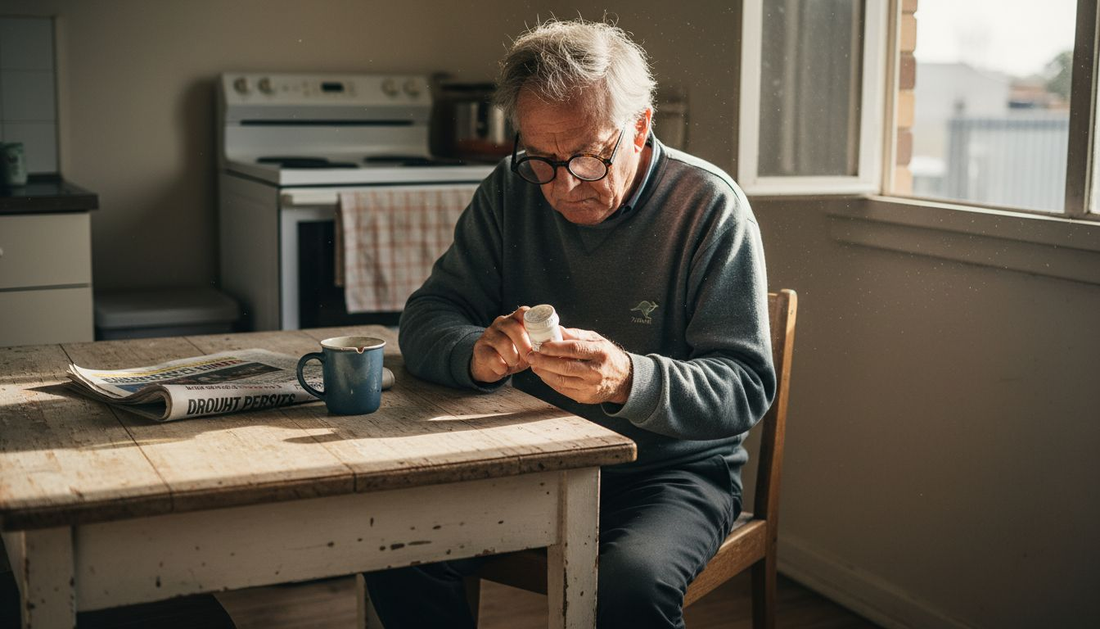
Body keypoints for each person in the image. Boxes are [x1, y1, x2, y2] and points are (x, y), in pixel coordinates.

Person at [363, 18, 775, 629]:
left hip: (666, 473)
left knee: (631, 589)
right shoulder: (511, 188)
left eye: (586, 157)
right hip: (525, 459)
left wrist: (630, 379)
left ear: (640, 125)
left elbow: (744, 386)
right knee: (398, 551)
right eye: (542, 160)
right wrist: (474, 351)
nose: (561, 187)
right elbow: (429, 315)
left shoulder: (710, 207)